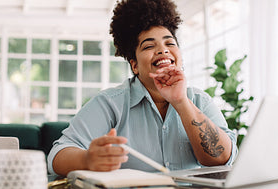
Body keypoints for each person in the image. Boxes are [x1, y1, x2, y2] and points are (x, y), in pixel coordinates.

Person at [47, 0, 238, 176]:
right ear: (135, 65)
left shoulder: (199, 101)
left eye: (169, 43)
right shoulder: (110, 103)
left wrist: (181, 102)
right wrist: (87, 159)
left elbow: (221, 159)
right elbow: (57, 155)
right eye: (148, 46)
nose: (163, 49)